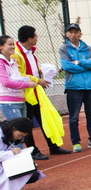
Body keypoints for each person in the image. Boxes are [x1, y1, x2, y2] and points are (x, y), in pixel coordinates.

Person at [13, 25, 72, 159]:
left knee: (46, 118)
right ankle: (33, 151)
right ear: (30, 39)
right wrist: (37, 80)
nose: (37, 38)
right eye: (35, 36)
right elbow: (19, 75)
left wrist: (41, 78)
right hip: (25, 95)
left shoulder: (30, 52)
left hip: (36, 93)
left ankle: (53, 146)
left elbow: (34, 69)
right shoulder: (17, 54)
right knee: (27, 124)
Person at [59, 23, 91, 152]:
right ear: (67, 34)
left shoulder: (87, 48)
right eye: (71, 32)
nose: (73, 34)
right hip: (74, 87)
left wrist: (79, 62)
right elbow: (67, 66)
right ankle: (75, 142)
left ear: (80, 33)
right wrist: (85, 67)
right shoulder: (64, 49)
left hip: (89, 86)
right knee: (74, 117)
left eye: (76, 32)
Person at [0, 117, 44, 190]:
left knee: (33, 174)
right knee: (27, 173)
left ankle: (10, 188)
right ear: (13, 128)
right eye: (19, 135)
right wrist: (11, 153)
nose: (19, 138)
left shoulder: (6, 133)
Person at [0, 35, 36, 121]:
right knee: (16, 128)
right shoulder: (1, 62)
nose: (13, 47)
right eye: (9, 44)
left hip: (21, 100)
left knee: (22, 128)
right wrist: (27, 84)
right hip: (9, 103)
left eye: (13, 44)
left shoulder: (14, 61)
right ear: (1, 47)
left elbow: (17, 78)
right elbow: (6, 82)